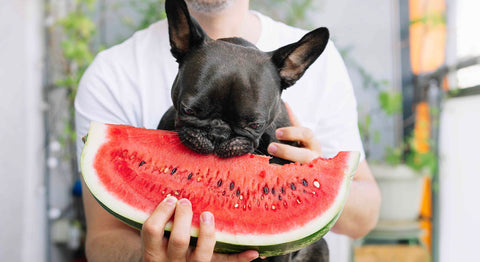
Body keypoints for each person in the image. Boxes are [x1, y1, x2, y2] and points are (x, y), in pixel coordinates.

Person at [75, 0, 381, 261]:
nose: (218, 135)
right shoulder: (112, 73)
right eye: (192, 111)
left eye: (251, 124)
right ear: (179, 41)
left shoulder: (326, 69)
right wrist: (150, 256)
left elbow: (366, 216)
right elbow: (102, 240)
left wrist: (316, 180)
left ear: (292, 73)